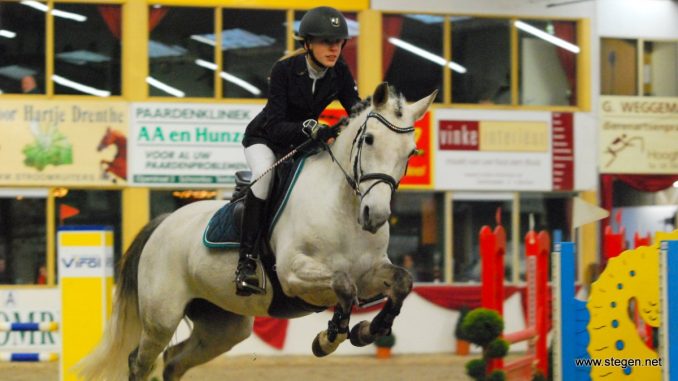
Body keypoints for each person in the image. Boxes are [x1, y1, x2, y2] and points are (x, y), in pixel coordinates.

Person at [235, 6, 360, 296]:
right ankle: (246, 263)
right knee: (264, 179)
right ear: (307, 44)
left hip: (302, 142)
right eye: (326, 42)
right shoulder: (284, 71)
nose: (334, 48)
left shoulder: (339, 70)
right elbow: (277, 124)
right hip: (264, 139)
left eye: (339, 42)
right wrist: (310, 128)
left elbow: (355, 107)